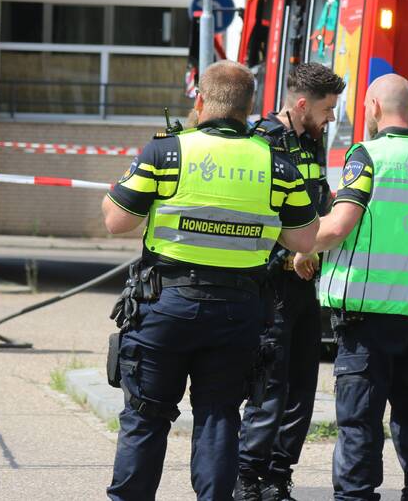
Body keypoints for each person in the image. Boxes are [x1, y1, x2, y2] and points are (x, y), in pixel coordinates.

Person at [103, 60, 319, 501]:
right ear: (249, 107)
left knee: (146, 416)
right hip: (237, 311)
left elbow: (115, 221)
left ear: (200, 101)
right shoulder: (276, 163)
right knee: (220, 416)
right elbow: (305, 237)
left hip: (165, 305)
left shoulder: (167, 152)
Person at [294, 73, 408, 500]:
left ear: (372, 107)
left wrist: (301, 245)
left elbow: (339, 226)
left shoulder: (368, 156)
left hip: (368, 317)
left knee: (359, 426)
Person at [236, 62, 344, 501]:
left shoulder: (310, 140)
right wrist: (288, 254)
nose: (331, 117)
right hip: (271, 285)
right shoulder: (261, 140)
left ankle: (279, 476)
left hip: (306, 282)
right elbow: (253, 214)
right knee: (269, 387)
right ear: (301, 104)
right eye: (327, 109)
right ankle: (247, 476)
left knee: (301, 385)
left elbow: (312, 205)